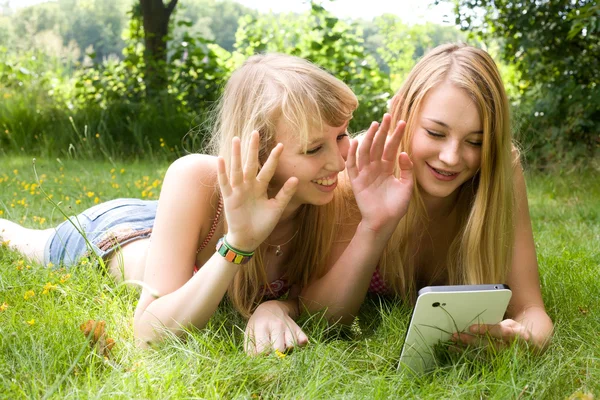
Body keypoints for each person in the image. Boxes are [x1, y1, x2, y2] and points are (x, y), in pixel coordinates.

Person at [0, 53, 371, 354]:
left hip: (177, 225)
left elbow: (325, 310)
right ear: (257, 152)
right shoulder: (195, 177)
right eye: (313, 148)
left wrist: (279, 306)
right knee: (22, 240)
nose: (339, 162)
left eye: (340, 136)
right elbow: (148, 336)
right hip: (119, 233)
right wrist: (238, 243)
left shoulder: (336, 193)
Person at [299, 43, 554, 352]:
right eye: (435, 133)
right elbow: (319, 315)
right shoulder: (364, 167)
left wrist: (526, 341)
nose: (451, 157)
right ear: (400, 113)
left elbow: (531, 309)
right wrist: (375, 226)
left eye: (476, 141)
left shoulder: (501, 172)